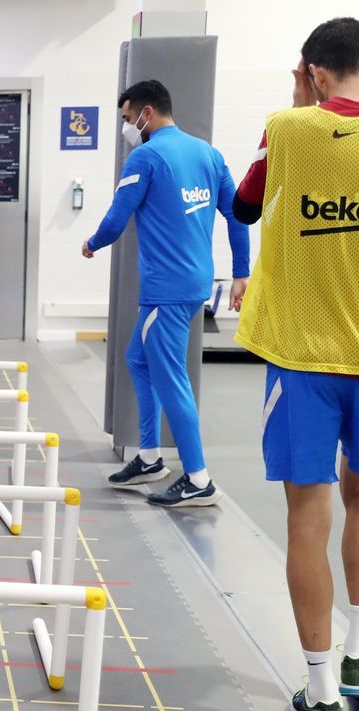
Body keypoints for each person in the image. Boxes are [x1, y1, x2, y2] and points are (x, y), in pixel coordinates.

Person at [232, 18, 359, 711]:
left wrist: (299, 104)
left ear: (312, 72)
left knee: (306, 513)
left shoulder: (289, 128)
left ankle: (319, 692)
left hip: (302, 357)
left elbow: (245, 205)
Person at [83, 79, 250, 507]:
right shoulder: (208, 154)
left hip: (166, 292)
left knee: (171, 378)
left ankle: (198, 479)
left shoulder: (147, 155)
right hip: (193, 284)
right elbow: (238, 216)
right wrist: (240, 273)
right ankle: (150, 458)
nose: (127, 128)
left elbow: (117, 219)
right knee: (137, 359)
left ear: (147, 113)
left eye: (127, 119)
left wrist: (92, 244)